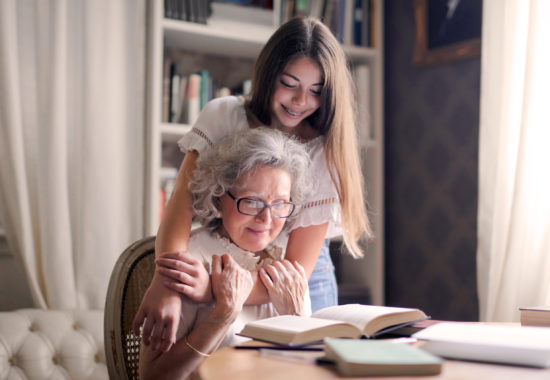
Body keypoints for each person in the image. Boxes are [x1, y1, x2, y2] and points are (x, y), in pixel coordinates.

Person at [134, 16, 372, 352]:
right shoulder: (224, 116)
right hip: (225, 258)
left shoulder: (323, 150)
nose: (301, 101)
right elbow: (180, 209)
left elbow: (296, 270)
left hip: (298, 277)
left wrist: (210, 290)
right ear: (268, 75)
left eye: (316, 91)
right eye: (289, 83)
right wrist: (166, 283)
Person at [139, 128, 310, 379]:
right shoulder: (190, 261)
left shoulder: (288, 268)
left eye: (280, 204)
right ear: (219, 196)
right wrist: (221, 317)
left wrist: (296, 319)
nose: (266, 218)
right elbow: (152, 376)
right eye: (252, 201)